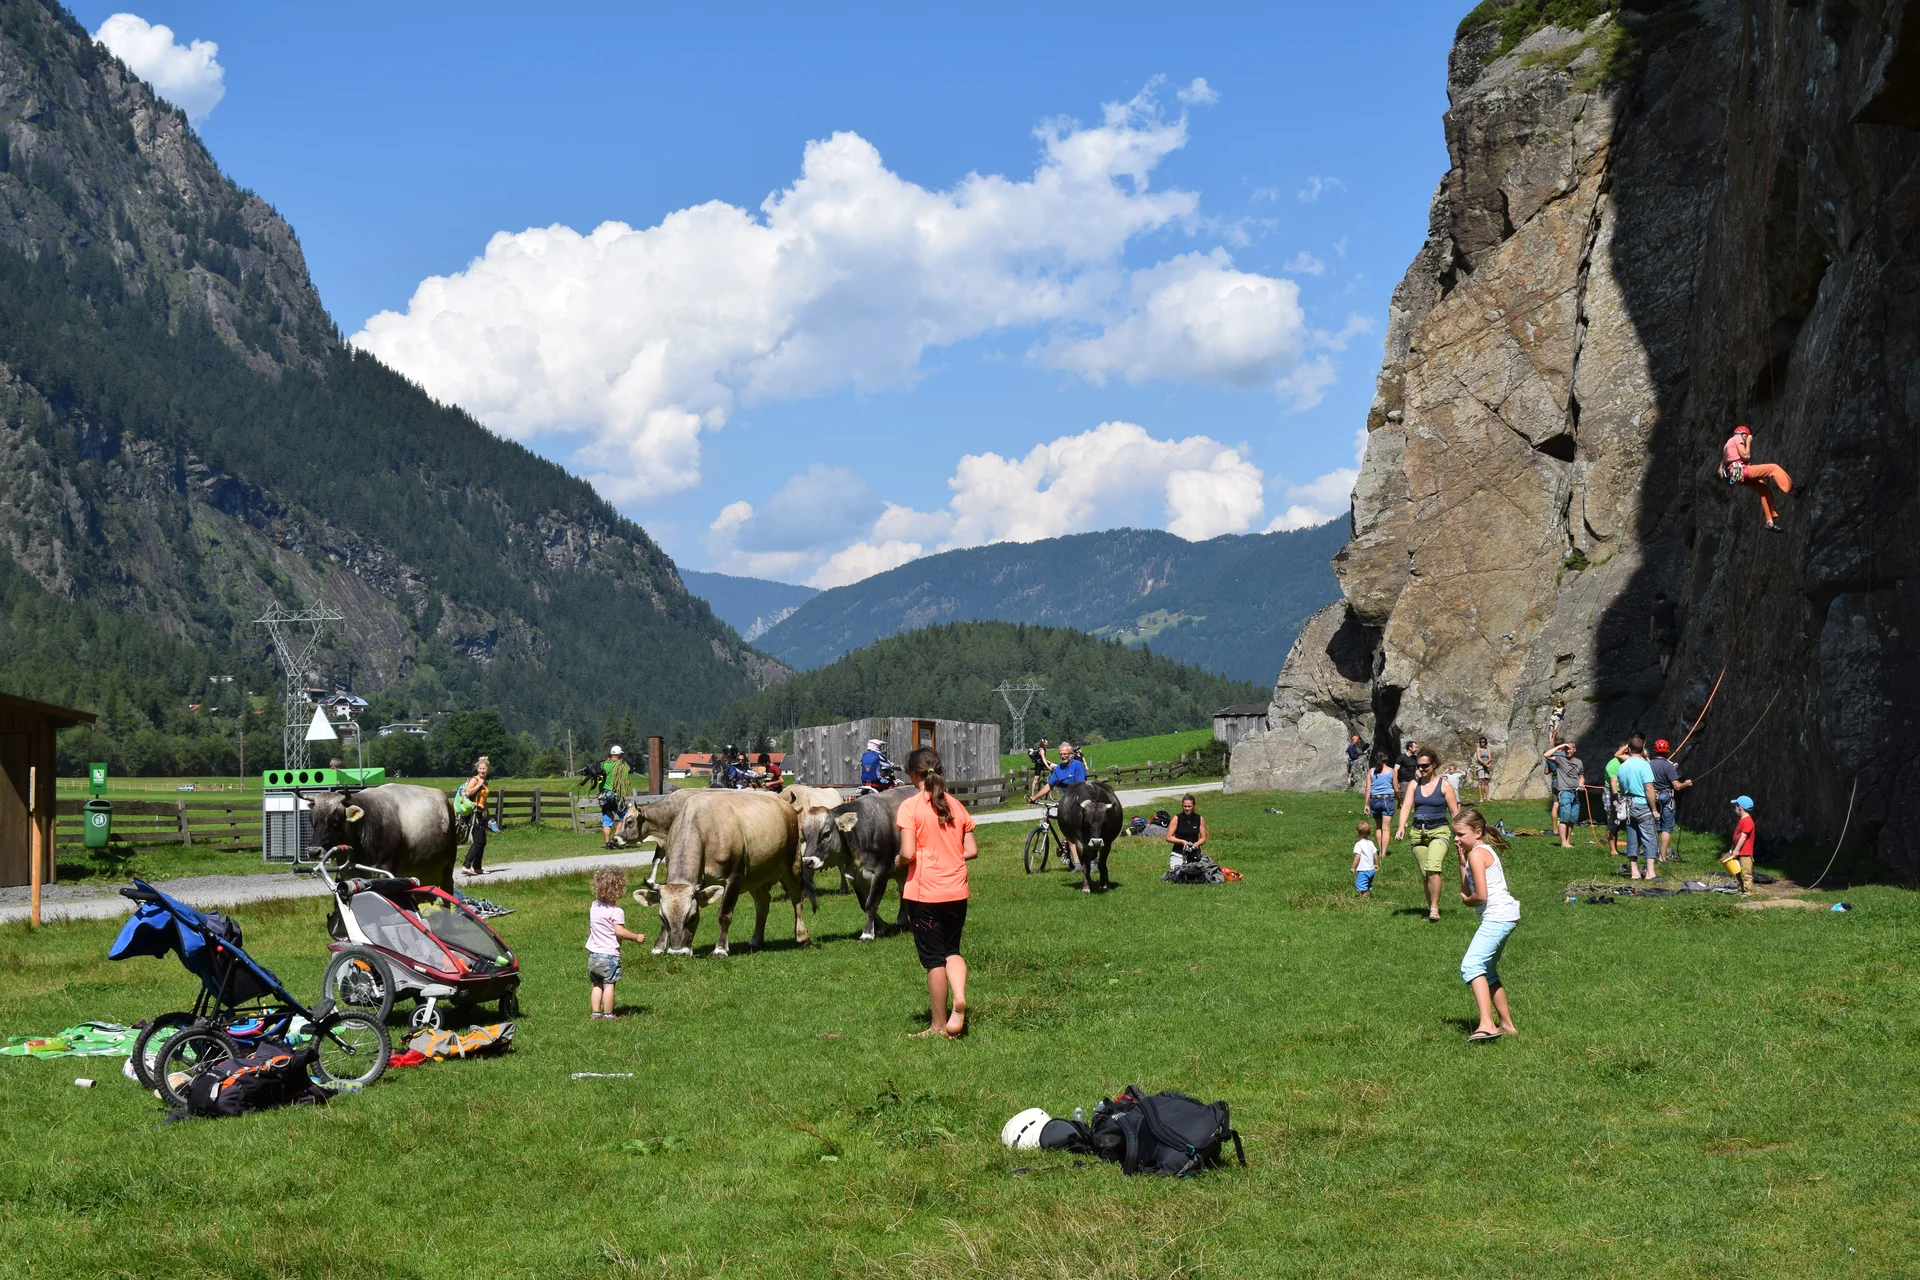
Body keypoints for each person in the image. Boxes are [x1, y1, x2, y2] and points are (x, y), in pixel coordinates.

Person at [894, 747, 977, 1039]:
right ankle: (959, 997)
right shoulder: (956, 805)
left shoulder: (910, 807)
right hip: (957, 891)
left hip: (925, 894)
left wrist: (899, 862)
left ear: (912, 774)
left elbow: (906, 852)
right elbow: (971, 850)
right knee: (952, 951)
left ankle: (938, 1024)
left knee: (933, 960)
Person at [1454, 807, 1520, 1043]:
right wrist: (1462, 863)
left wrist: (1468, 902)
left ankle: (1486, 1024)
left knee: (1471, 966)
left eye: (1460, 834)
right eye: (1455, 834)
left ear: (1478, 832)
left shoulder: (1478, 853)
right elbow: (1467, 889)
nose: (1456, 839)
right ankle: (1507, 1025)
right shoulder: (1476, 853)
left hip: (1497, 916)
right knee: (1488, 972)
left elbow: (1478, 896)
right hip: (1505, 915)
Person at [1396, 748, 1461, 922]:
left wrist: (1460, 834)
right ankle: (1430, 906)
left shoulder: (1444, 785)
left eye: (1425, 765)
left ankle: (1434, 908)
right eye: (1418, 766)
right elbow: (1406, 807)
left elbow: (1455, 812)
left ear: (1434, 765)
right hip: (1418, 832)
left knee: (1433, 868)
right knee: (1425, 873)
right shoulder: (1414, 784)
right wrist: (1401, 826)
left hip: (1439, 831)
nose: (1421, 769)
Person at [586, 866, 647, 1020]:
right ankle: (608, 1014)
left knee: (597, 985)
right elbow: (619, 931)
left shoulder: (594, 906)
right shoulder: (616, 911)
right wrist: (636, 937)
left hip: (593, 955)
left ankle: (595, 1012)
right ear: (619, 890)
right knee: (609, 984)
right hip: (609, 956)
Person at [1720, 424, 1794, 531]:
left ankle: (1770, 522)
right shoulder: (1738, 438)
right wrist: (1748, 442)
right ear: (1743, 434)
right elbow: (1745, 455)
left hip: (1737, 476)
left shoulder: (1727, 445)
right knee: (1773, 468)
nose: (1745, 440)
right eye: (1745, 437)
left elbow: (1726, 466)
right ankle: (1791, 489)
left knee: (1764, 490)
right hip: (1741, 471)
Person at [1617, 734, 1661, 880]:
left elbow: (1622, 789)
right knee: (1649, 838)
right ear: (1642, 750)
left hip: (1628, 805)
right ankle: (1650, 873)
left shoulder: (1622, 767)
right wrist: (1654, 809)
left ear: (1629, 749)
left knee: (1632, 837)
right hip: (1642, 804)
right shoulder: (1644, 765)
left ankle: (1634, 872)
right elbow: (1649, 788)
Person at [1649, 738, 1692, 861]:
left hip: (1654, 797)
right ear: (1667, 751)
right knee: (1666, 828)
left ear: (1654, 751)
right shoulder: (1669, 766)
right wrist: (1687, 783)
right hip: (1667, 798)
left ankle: (1652, 855)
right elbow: (1677, 786)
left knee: (1655, 828)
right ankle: (1663, 857)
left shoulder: (1649, 765)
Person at [1545, 743, 1585, 848]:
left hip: (1575, 792)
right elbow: (1546, 755)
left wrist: (1581, 784)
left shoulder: (1579, 762)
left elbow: (1581, 776)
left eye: (1569, 749)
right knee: (1564, 817)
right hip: (1565, 792)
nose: (1567, 751)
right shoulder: (1560, 759)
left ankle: (1568, 841)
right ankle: (1563, 842)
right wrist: (1560, 746)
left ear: (1574, 750)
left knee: (1572, 819)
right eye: (1566, 749)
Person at [459, 756, 492, 876]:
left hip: (482, 813)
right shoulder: (475, 780)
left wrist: (488, 815)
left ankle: (477, 867)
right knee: (478, 840)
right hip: (474, 813)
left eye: (484, 769)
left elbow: (484, 799)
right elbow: (468, 792)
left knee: (482, 841)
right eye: (480, 768)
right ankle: (466, 865)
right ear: (477, 769)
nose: (482, 771)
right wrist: (479, 785)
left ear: (488, 769)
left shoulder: (486, 782)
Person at [1366, 751, 1399, 859]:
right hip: (1387, 800)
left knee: (1378, 827)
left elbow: (1368, 789)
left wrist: (1366, 804)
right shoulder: (1391, 771)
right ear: (1386, 759)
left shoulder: (1371, 772)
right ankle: (1383, 853)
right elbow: (1396, 789)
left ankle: (1379, 850)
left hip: (1375, 800)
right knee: (1386, 828)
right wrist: (1400, 800)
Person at [1166, 793, 1207, 869]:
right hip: (1178, 854)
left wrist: (1195, 845)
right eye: (1185, 806)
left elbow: (1203, 838)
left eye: (1189, 806)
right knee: (1179, 872)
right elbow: (1168, 837)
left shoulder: (1199, 819)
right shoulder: (1176, 818)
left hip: (1194, 853)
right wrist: (1183, 842)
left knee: (1196, 873)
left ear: (1194, 806)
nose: (1187, 809)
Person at [1728, 795, 1758, 894]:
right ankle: (1741, 889)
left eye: (1735, 806)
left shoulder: (1748, 821)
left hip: (1745, 853)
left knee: (1746, 872)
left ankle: (1747, 891)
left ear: (1740, 808)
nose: (1734, 809)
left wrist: (1736, 850)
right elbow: (1736, 837)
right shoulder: (1741, 821)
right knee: (1737, 871)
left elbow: (1743, 837)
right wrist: (1732, 848)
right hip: (1738, 851)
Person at [1604, 747, 1628, 858]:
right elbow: (1613, 784)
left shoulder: (1626, 763)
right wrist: (1615, 799)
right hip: (1612, 793)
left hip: (1623, 793)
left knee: (1619, 823)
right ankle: (1613, 850)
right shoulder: (1613, 764)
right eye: (1626, 753)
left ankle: (1619, 849)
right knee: (1612, 822)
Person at [1650, 592, 1681, 676]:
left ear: (1657, 599)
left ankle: (1662, 670)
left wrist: (1652, 635)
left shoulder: (1654, 609)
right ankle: (1664, 672)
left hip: (1658, 632)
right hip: (1669, 630)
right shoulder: (1669, 603)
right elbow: (1681, 606)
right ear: (1665, 597)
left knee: (1662, 653)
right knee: (1668, 652)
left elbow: (1652, 622)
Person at [1352, 820, 1378, 896]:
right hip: (1371, 870)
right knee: (1367, 884)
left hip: (1363, 870)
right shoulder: (1371, 843)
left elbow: (1357, 856)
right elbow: (1375, 854)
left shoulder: (1358, 844)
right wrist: (1376, 864)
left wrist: (1353, 867)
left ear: (1357, 832)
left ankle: (1364, 899)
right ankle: (1368, 897)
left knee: (1361, 884)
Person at [1473, 737, 1494, 803]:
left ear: (1486, 742)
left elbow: (1490, 758)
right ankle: (1481, 798)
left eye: (1484, 742)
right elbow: (1479, 758)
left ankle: (1487, 797)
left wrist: (1487, 763)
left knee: (1486, 781)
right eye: (1481, 742)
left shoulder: (1488, 749)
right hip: (1480, 766)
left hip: (1486, 766)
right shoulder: (1478, 749)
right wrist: (1485, 763)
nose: (1482, 743)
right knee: (1480, 781)